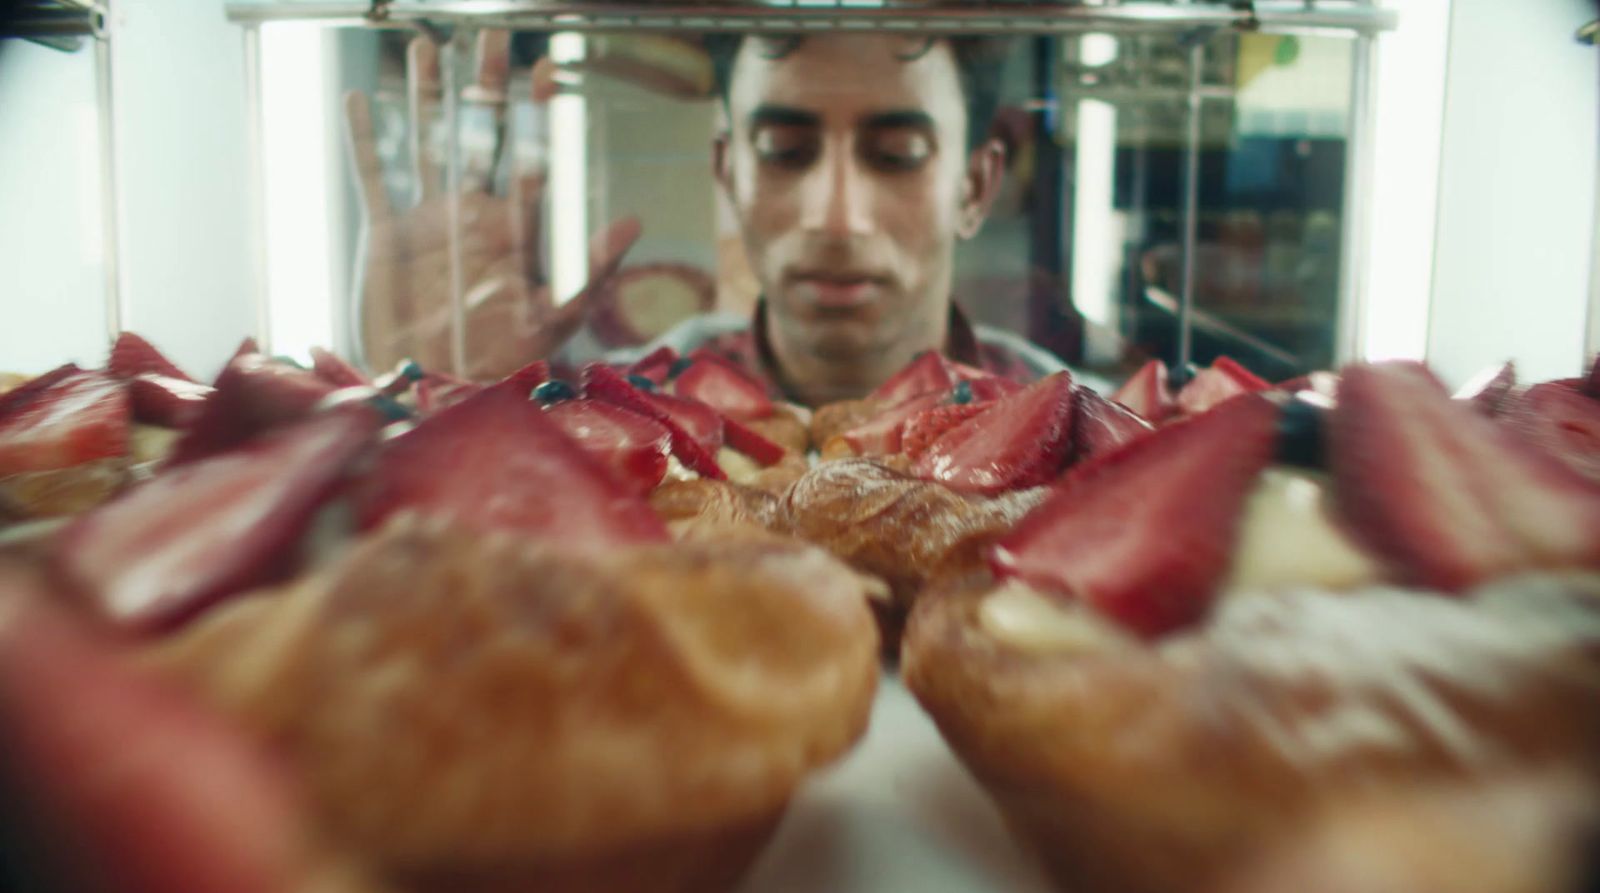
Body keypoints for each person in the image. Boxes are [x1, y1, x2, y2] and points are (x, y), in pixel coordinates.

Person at [344, 29, 1070, 406]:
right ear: (728, 173)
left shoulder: (1075, 425)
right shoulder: (610, 410)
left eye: (898, 154)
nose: (836, 217)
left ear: (976, 186)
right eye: (786, 151)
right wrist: (442, 405)